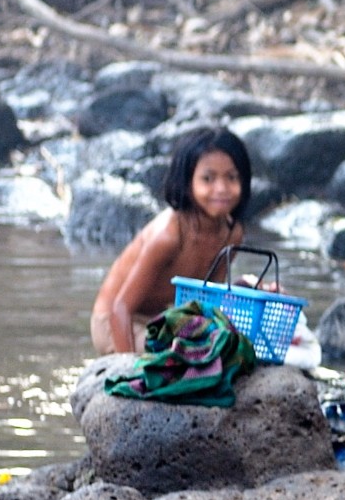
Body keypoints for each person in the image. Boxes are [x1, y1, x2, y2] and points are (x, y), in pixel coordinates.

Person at [90, 127, 251, 355]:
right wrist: (130, 370)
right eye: (208, 178)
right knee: (181, 355)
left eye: (231, 177)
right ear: (187, 182)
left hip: (162, 319)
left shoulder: (231, 234)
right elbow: (120, 308)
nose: (222, 188)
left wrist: (245, 288)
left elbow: (206, 302)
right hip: (116, 322)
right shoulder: (168, 235)